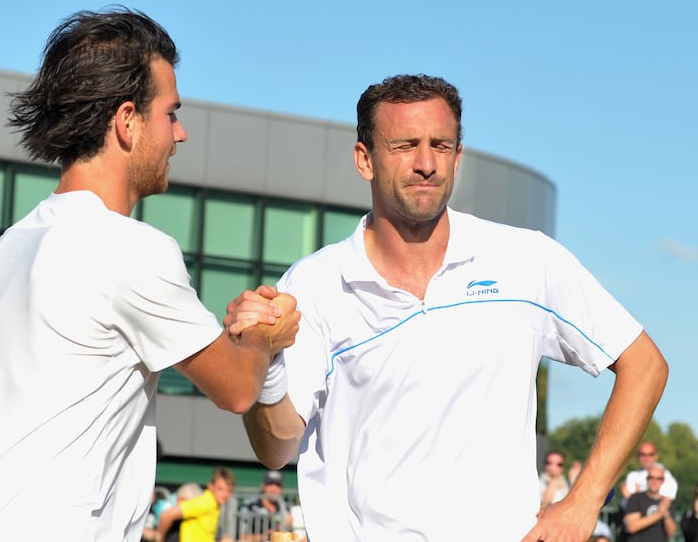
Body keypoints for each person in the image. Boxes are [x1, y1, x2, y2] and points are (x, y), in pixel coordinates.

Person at [233, 74, 669, 541]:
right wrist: (266, 364)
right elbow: (276, 447)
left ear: (458, 158)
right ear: (365, 160)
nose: (426, 163)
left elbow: (644, 364)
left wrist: (584, 500)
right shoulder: (316, 284)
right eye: (404, 145)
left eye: (441, 145)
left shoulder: (526, 260)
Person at [0, 8, 299, 542]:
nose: (181, 133)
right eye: (171, 113)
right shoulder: (131, 249)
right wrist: (263, 333)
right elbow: (235, 390)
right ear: (127, 119)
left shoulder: (0, 259)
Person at [156, 468, 234, 542]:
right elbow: (166, 516)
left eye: (229, 490)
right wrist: (159, 540)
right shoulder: (204, 502)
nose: (225, 494)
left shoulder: (214, 505)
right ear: (211, 486)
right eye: (220, 489)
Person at [623, 463, 676, 542]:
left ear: (663, 481)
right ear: (647, 479)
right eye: (651, 477)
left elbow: (671, 533)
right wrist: (658, 514)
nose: (654, 481)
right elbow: (631, 527)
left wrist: (666, 514)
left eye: (659, 478)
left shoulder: (667, 502)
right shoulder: (636, 498)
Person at [239, 470, 291, 541]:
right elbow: (242, 537)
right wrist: (267, 536)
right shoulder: (250, 506)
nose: (273, 489)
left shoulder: (285, 507)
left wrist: (283, 528)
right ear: (263, 486)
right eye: (270, 484)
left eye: (277, 485)